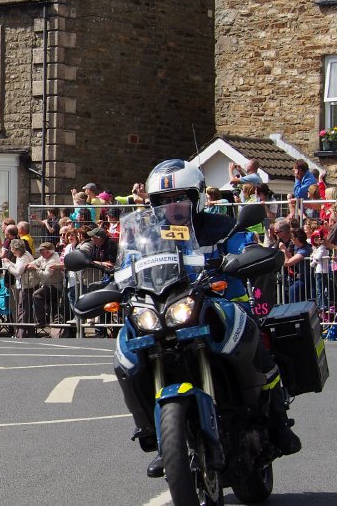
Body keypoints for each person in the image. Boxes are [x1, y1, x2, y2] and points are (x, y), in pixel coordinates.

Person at [119, 159, 301, 480]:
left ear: (198, 196)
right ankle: (155, 432)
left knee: (254, 341)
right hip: (173, 306)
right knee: (128, 347)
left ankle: (276, 420)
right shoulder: (148, 235)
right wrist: (110, 281)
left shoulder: (221, 226)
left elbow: (246, 245)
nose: (172, 205)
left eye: (181, 197)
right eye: (163, 200)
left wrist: (244, 256)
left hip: (222, 302)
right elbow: (129, 263)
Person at [2, 239, 37, 337]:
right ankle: (28, 333)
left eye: (12, 249)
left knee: (22, 309)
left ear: (17, 249)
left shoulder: (23, 257)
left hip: (27, 286)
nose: (11, 251)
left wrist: (8, 265)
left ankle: (20, 333)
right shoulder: (21, 256)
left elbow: (17, 272)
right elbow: (18, 268)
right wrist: (9, 262)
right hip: (25, 285)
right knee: (25, 309)